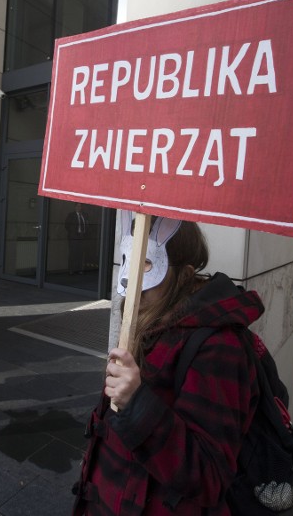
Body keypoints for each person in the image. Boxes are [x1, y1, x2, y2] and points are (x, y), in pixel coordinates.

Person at [72, 213, 266, 514]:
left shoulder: (220, 347)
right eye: (128, 259)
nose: (130, 280)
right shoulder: (151, 320)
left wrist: (137, 404)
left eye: (146, 264)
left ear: (184, 274)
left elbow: (210, 476)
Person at [65, 203, 89, 275]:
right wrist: (73, 232)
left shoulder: (84, 215)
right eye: (78, 206)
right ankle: (71, 269)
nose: (79, 208)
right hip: (74, 237)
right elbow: (66, 225)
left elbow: (87, 225)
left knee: (80, 253)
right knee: (73, 253)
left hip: (82, 236)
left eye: (80, 206)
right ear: (75, 207)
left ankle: (80, 269)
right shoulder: (71, 215)